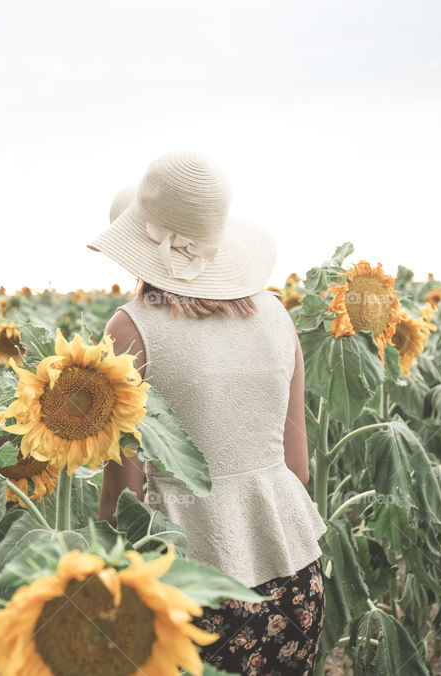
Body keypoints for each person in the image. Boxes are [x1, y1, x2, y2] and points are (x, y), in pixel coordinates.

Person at [89, 150, 329, 676]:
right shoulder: (276, 316)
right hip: (292, 575)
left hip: (188, 586)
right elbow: (299, 468)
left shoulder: (130, 330)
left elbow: (124, 500)